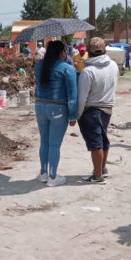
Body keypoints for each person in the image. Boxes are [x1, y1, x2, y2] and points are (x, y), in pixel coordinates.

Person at [34, 40, 77, 187]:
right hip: (58, 109)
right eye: (65, 50)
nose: (67, 53)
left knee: (44, 141)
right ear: (61, 52)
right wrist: (73, 115)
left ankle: (43, 173)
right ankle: (53, 176)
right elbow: (72, 96)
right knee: (54, 144)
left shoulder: (39, 65)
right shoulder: (67, 68)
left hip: (40, 106)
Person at [76, 37, 118, 184]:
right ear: (104, 50)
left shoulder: (88, 72)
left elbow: (82, 98)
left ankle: (97, 175)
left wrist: (77, 114)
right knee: (103, 140)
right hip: (107, 108)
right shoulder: (113, 65)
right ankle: (102, 169)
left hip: (91, 110)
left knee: (95, 144)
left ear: (88, 51)